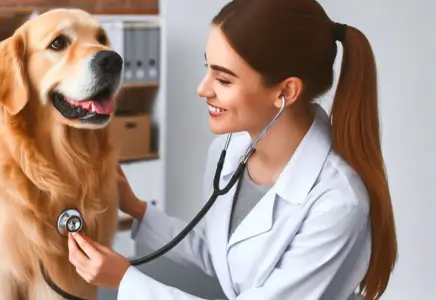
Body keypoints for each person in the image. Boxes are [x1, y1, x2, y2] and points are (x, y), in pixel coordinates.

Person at [65, 0, 398, 299]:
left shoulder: (337, 202)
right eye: (207, 67)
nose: (202, 89)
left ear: (285, 92)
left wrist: (126, 281)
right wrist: (136, 207)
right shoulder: (230, 152)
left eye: (223, 80)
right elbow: (222, 257)